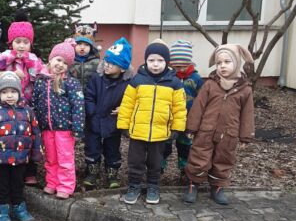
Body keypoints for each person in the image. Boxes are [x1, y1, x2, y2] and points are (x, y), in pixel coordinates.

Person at [183, 44, 255, 206]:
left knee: (223, 159)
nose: (222, 66)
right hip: (205, 131)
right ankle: (193, 184)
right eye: (219, 63)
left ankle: (217, 187)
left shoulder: (245, 89)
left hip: (229, 133)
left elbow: (247, 114)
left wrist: (245, 136)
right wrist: (192, 127)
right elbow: (199, 106)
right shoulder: (210, 85)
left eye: (227, 62)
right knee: (199, 157)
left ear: (237, 62)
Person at [117, 40, 187, 205]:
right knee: (135, 162)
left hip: (160, 133)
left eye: (160, 60)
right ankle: (134, 186)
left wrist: (177, 129)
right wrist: (123, 125)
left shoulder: (175, 83)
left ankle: (153, 186)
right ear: (146, 61)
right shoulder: (137, 80)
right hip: (138, 132)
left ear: (167, 62)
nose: (155, 64)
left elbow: (179, 108)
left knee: (155, 163)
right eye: (151, 60)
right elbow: (127, 104)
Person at [0, 72, 42, 221]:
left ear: (19, 92)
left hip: (20, 157)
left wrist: (36, 152)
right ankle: (2, 210)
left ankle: (19, 207)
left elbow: (35, 133)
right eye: (5, 92)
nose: (9, 95)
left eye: (13, 91)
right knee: (1, 185)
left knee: (17, 184)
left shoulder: (27, 111)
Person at [0, 15, 44, 185]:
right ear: (11, 42)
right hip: (6, 106)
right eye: (18, 41)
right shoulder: (5, 55)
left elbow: (38, 73)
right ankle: (6, 167)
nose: (21, 46)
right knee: (9, 137)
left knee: (28, 137)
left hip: (26, 107)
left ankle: (30, 171)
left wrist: (27, 61)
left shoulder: (32, 58)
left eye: (25, 42)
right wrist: (11, 68)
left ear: (30, 44)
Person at [31, 40, 85, 199]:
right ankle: (52, 183)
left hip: (65, 129)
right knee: (51, 158)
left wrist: (77, 128)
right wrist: (35, 125)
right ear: (51, 59)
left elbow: (78, 106)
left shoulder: (71, 83)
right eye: (58, 60)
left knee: (65, 158)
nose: (61, 65)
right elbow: (35, 103)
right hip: (47, 128)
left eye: (65, 63)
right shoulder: (41, 81)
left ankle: (65, 186)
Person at [83, 37, 134, 189]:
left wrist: (124, 109)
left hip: (113, 122)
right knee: (92, 148)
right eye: (106, 61)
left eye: (112, 63)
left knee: (112, 149)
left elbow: (132, 100)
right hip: (95, 121)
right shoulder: (96, 78)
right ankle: (92, 172)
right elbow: (89, 96)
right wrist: (92, 112)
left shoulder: (127, 83)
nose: (107, 65)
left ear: (122, 68)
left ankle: (112, 174)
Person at [162, 39, 204, 179]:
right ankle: (159, 167)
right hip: (169, 119)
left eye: (183, 66)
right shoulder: (168, 77)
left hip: (188, 120)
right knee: (164, 145)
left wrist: (199, 117)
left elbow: (202, 99)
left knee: (185, 146)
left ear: (189, 63)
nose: (180, 70)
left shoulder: (196, 79)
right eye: (176, 66)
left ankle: (185, 170)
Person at [69, 23, 100, 93]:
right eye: (79, 44)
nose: (82, 47)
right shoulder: (69, 62)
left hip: (91, 96)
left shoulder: (97, 63)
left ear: (91, 47)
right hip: (73, 95)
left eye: (86, 45)